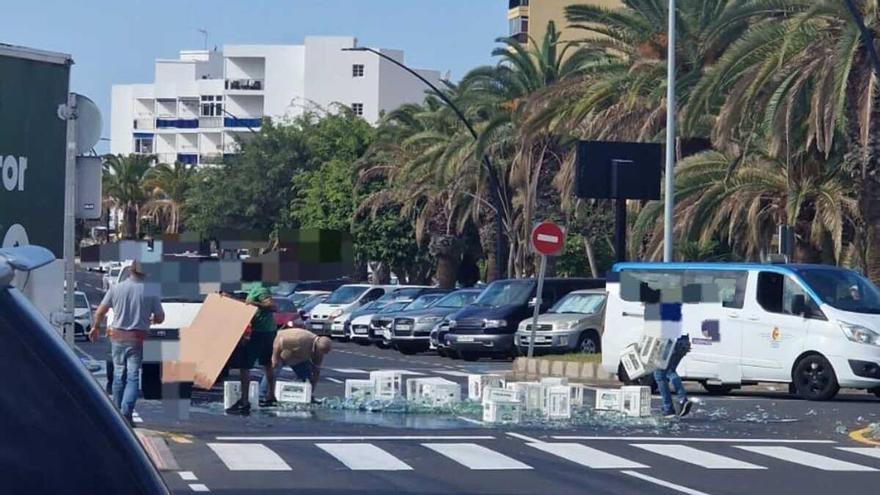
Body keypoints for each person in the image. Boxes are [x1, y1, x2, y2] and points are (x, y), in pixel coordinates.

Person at [89, 260, 164, 427]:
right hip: (137, 338)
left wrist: (95, 328)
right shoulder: (151, 291)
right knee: (133, 377)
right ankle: (126, 412)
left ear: (130, 270)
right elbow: (160, 316)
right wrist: (152, 319)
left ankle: (117, 414)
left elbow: (100, 311)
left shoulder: (116, 288)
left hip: (116, 336)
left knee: (118, 375)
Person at [225, 284, 278, 415]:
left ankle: (244, 402)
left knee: (245, 366)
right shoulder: (255, 289)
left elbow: (272, 307)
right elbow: (248, 304)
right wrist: (231, 298)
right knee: (267, 364)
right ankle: (271, 396)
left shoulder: (260, 289)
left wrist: (254, 302)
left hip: (259, 332)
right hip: (268, 331)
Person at [259, 327, 332, 407]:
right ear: (318, 347)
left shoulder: (319, 351)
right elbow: (278, 342)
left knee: (307, 375)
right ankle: (262, 395)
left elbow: (316, 370)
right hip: (279, 351)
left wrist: (311, 389)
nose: (324, 354)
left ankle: (307, 396)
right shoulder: (300, 338)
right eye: (323, 352)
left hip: (297, 358)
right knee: (272, 371)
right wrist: (275, 358)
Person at [654, 333, 693, 418]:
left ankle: (668, 408)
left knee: (659, 374)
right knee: (670, 371)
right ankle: (682, 400)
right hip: (683, 340)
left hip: (670, 342)